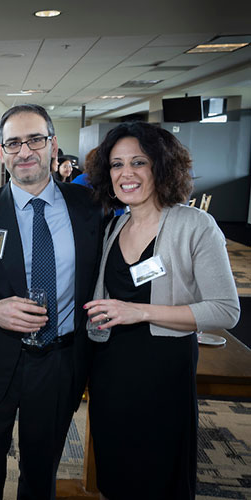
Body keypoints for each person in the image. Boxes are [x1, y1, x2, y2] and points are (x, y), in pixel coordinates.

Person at [0, 104, 102, 499]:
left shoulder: (90, 208)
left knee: (41, 472)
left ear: (53, 145)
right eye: (13, 142)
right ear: (2, 152)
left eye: (35, 139)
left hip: (59, 362)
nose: (25, 151)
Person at [83, 122, 240, 500]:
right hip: (110, 370)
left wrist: (141, 312)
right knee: (114, 471)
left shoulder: (195, 226)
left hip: (163, 371)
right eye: (117, 165)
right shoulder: (112, 228)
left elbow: (225, 310)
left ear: (162, 166)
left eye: (139, 162)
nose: (127, 174)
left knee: (158, 476)